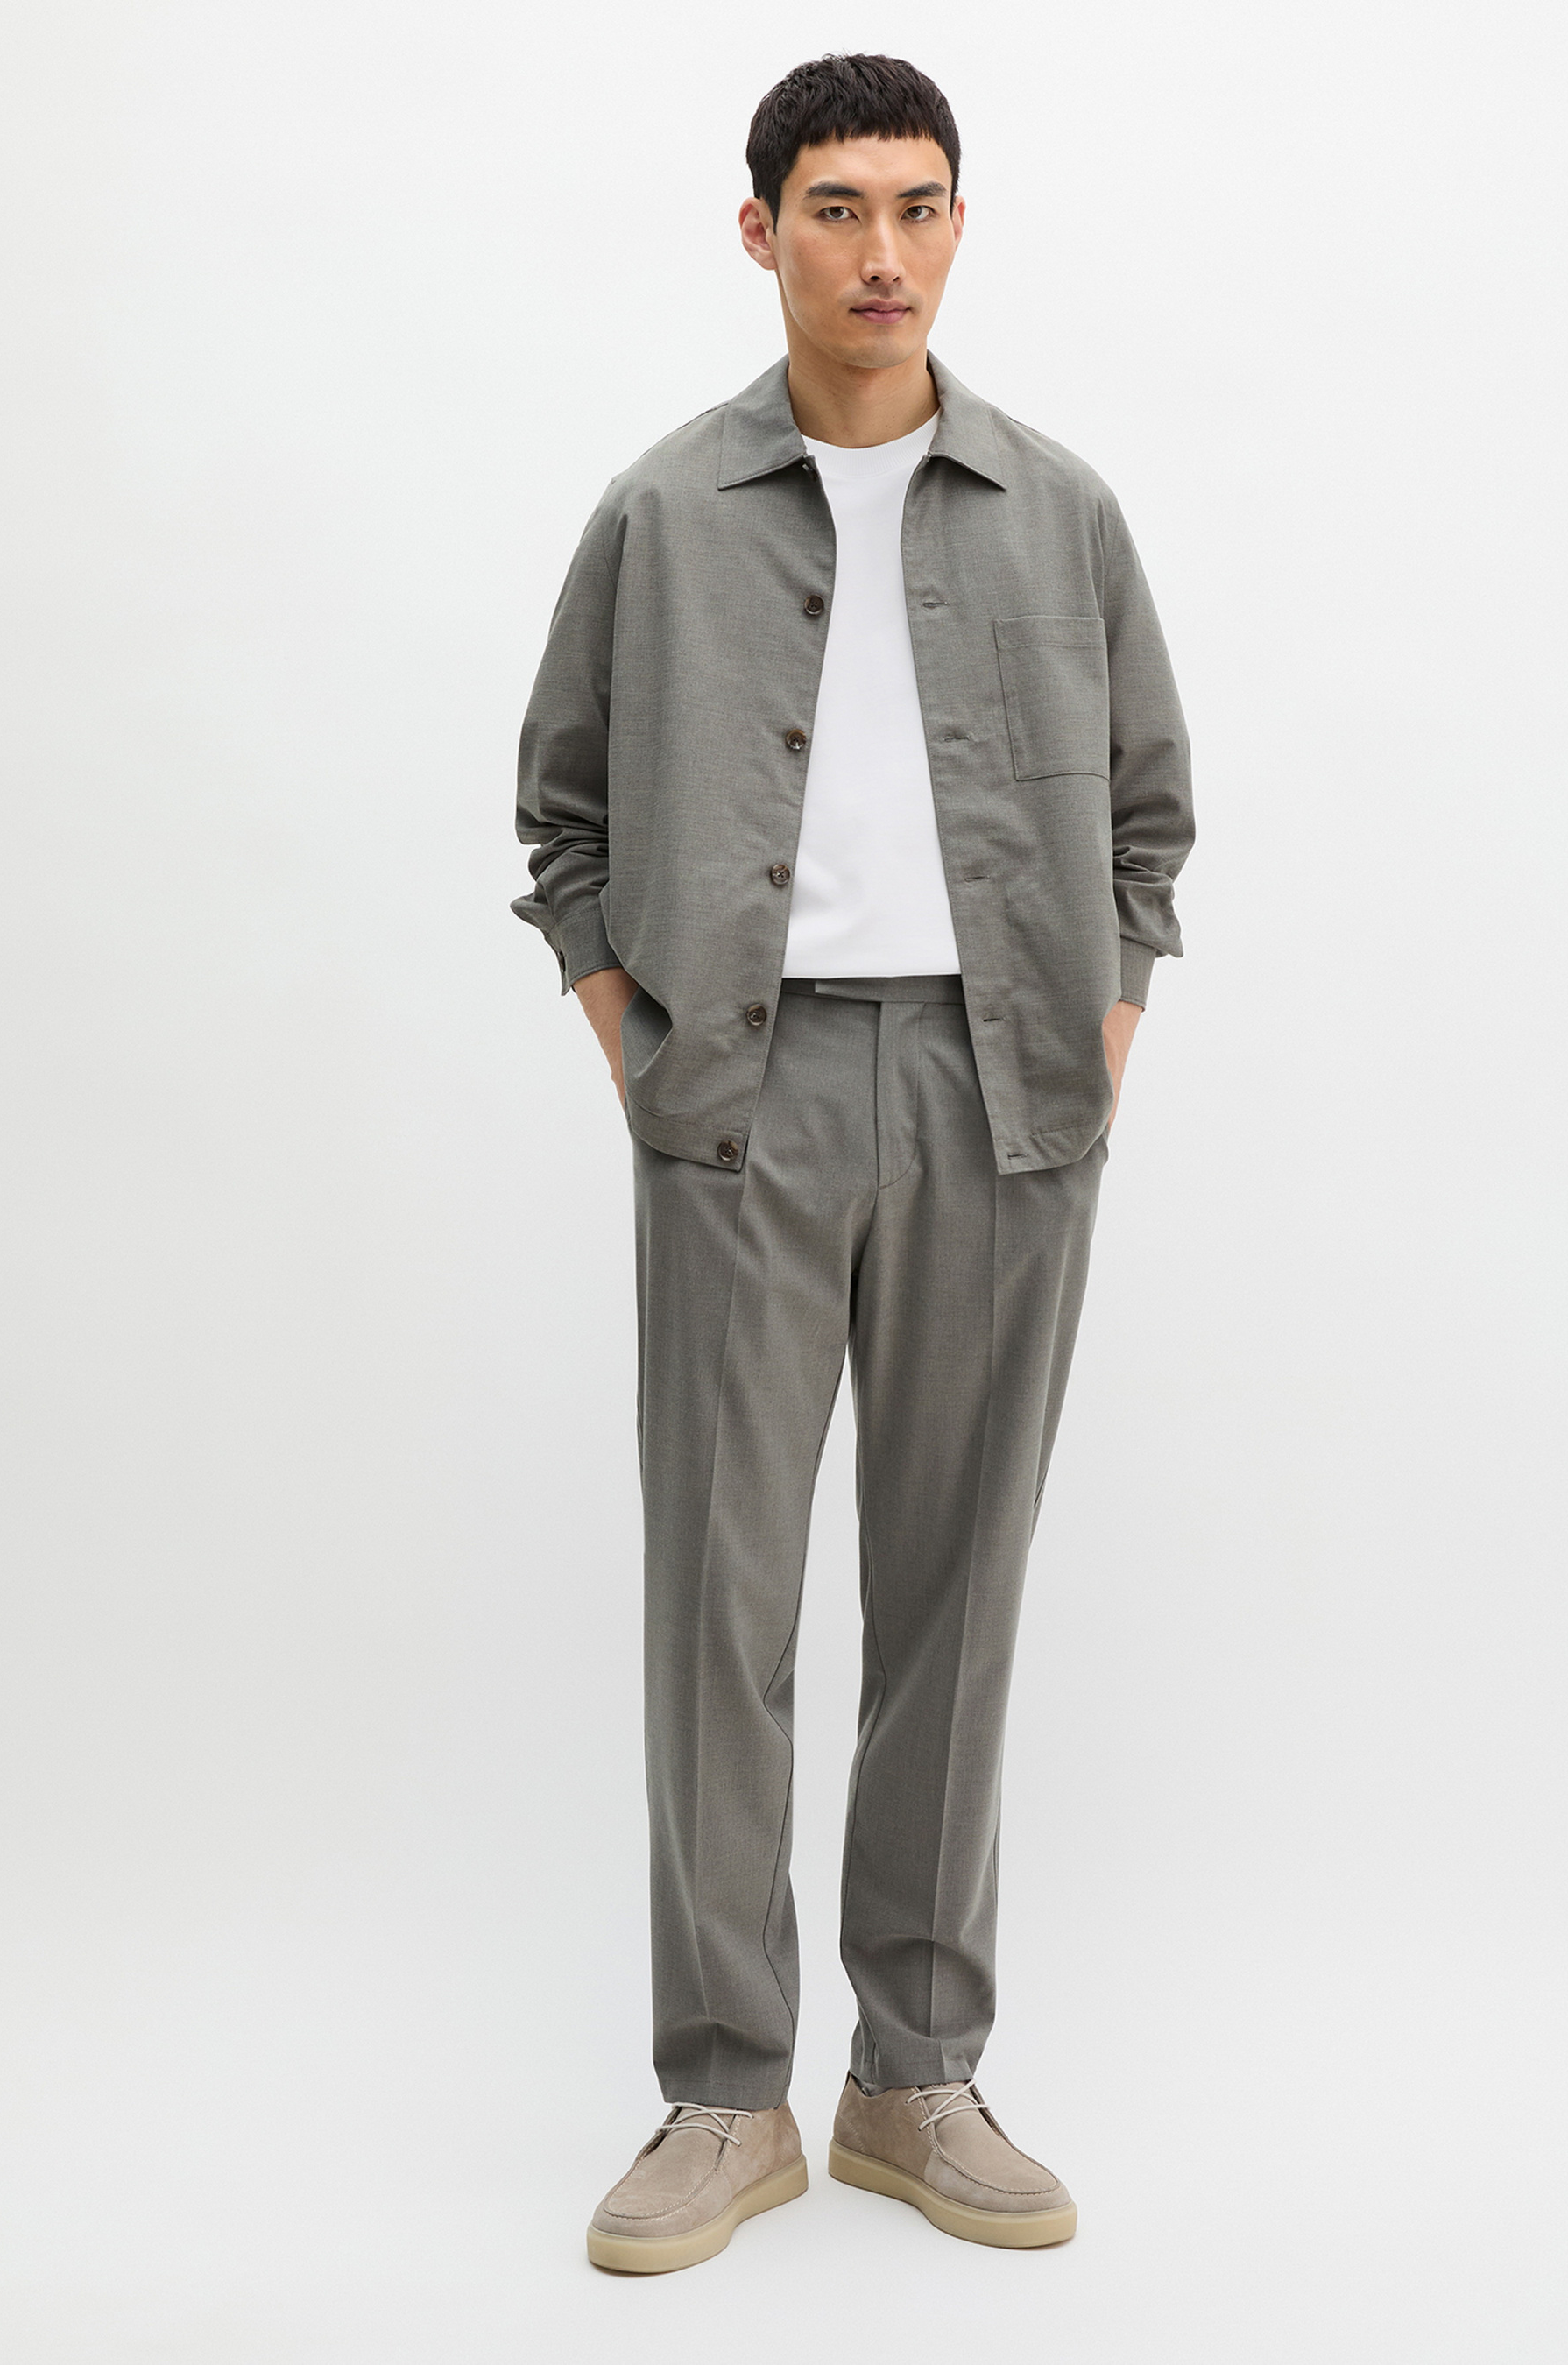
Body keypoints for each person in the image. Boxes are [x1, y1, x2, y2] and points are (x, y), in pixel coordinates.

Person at [512, 52, 1192, 2274]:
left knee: (954, 1596)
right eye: (833, 208)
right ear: (760, 232)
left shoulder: (1060, 511)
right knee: (717, 1601)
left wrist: (1095, 1029)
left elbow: (1146, 822)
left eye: (914, 206)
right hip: (741, 1092)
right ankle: (724, 2101)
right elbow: (562, 819)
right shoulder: (661, 513)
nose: (878, 251)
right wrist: (647, 1054)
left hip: (1008, 1095)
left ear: (956, 227)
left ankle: (914, 2081)